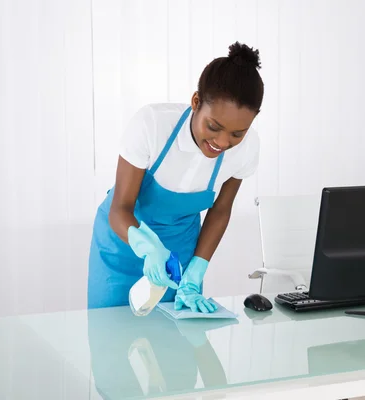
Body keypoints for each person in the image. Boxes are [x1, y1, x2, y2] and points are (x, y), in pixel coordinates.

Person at [87, 41, 264, 312]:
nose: (223, 142)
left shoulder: (247, 149)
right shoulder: (152, 125)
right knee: (111, 342)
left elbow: (220, 211)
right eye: (214, 126)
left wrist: (197, 270)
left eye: (237, 134)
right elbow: (120, 208)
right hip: (123, 243)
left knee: (175, 347)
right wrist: (148, 248)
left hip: (179, 255)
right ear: (196, 102)